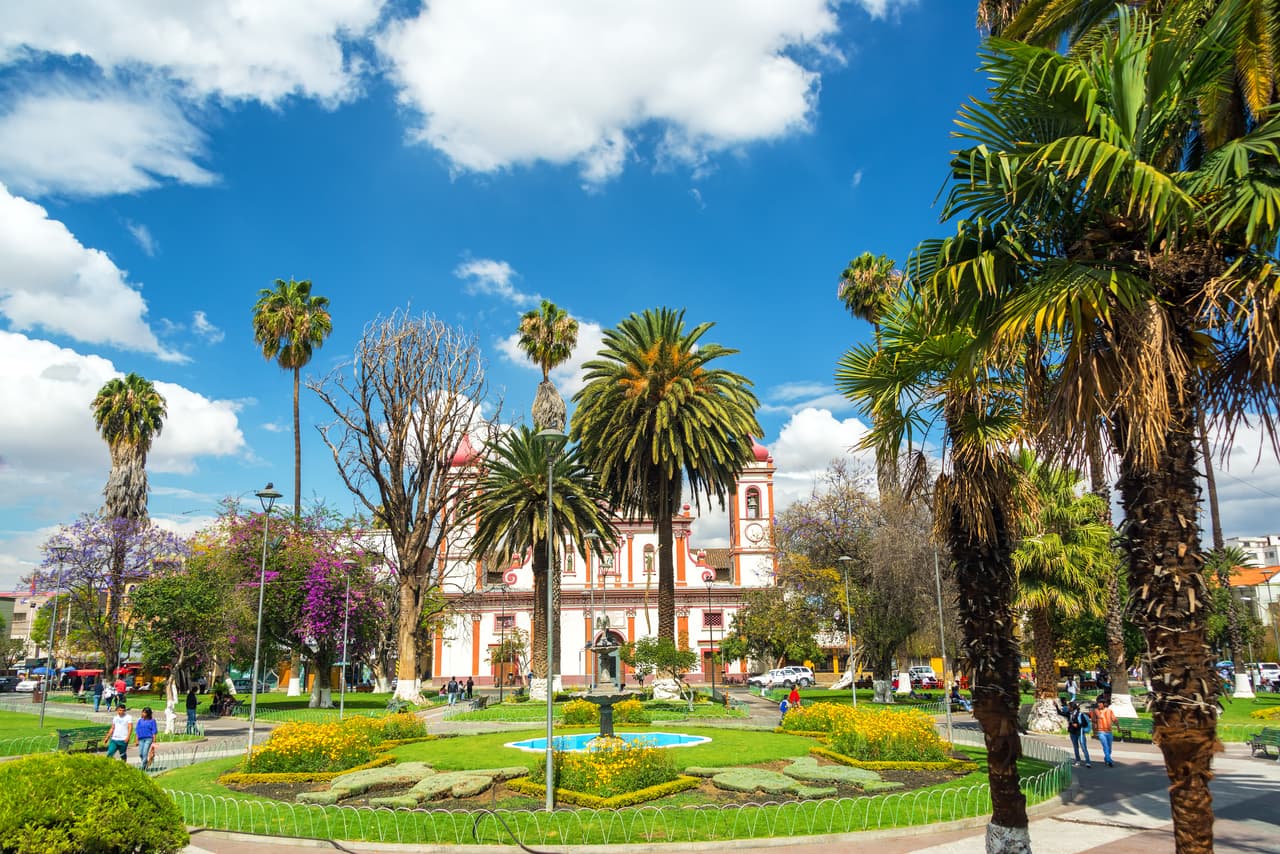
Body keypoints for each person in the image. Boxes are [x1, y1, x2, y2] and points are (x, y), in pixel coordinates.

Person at [1064, 701, 1092, 767]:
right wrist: (1056, 706)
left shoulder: (1080, 714)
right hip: (1072, 732)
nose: (1068, 707)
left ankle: (1088, 761)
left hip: (1080, 733)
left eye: (1069, 706)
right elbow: (1061, 713)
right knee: (1075, 747)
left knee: (1083, 747)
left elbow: (1084, 724)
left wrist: (1077, 725)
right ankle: (1078, 760)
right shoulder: (1069, 714)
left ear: (1072, 707)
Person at [1091, 697, 1118, 767]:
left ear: (1104, 704)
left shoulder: (1109, 711)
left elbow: (1114, 719)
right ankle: (1109, 760)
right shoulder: (1095, 711)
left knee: (1109, 748)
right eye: (1098, 703)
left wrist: (1118, 727)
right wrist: (1094, 731)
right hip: (1101, 732)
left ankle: (1106, 758)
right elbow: (1093, 722)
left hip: (1109, 732)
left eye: (1100, 703)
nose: (1099, 704)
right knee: (1105, 746)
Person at [135, 707, 158, 771]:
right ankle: (145, 765)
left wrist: (154, 740)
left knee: (145, 753)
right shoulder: (140, 721)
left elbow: (154, 731)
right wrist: (136, 740)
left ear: (148, 714)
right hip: (141, 739)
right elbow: (137, 730)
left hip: (148, 739)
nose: (142, 713)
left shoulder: (152, 721)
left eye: (144, 712)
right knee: (141, 754)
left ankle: (142, 767)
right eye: (142, 712)